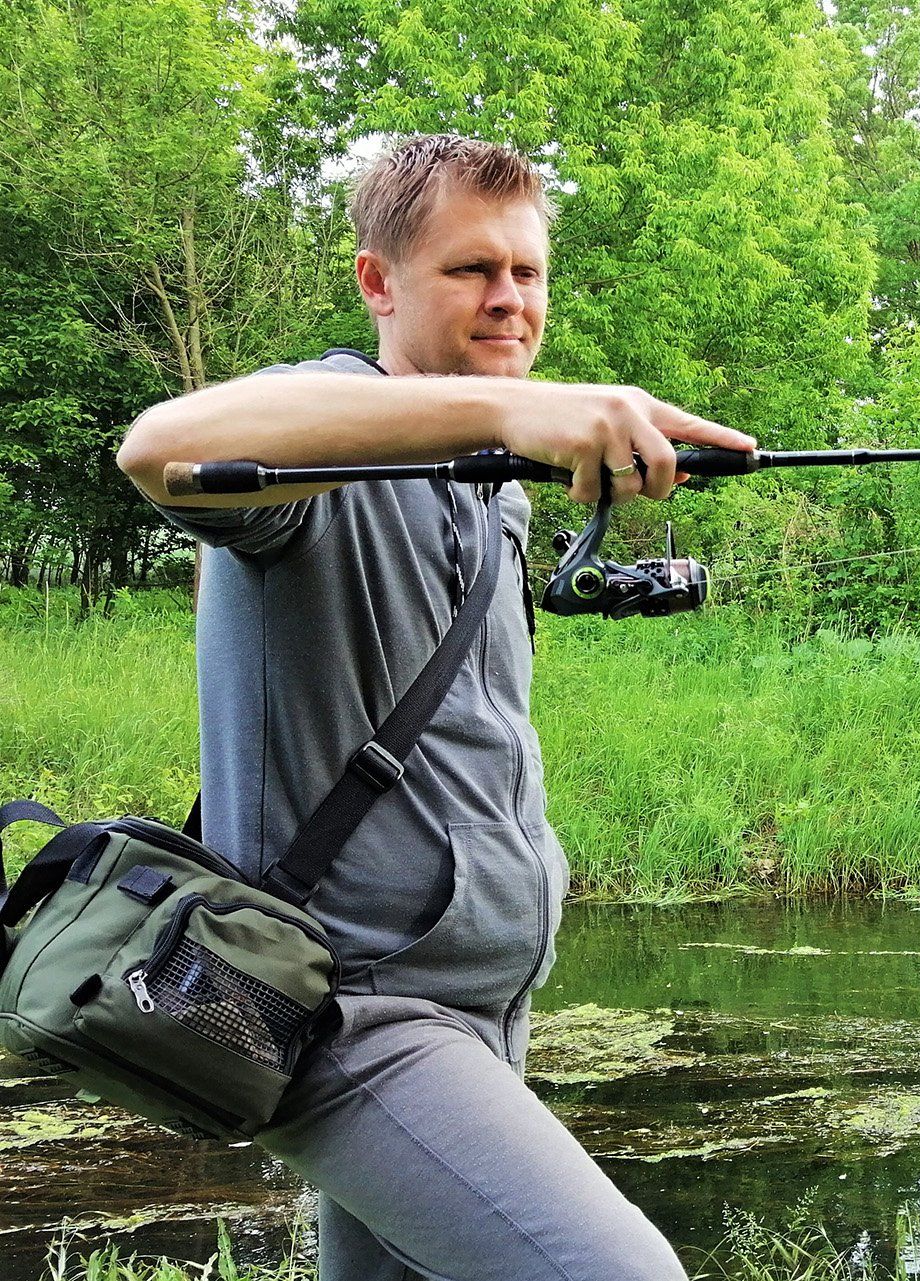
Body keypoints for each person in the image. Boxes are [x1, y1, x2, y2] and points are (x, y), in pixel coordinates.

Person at [115, 134, 751, 1281]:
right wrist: (516, 417)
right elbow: (161, 448)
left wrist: (506, 434)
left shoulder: (488, 487)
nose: (509, 299)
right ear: (378, 281)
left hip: (483, 1010)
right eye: (470, 271)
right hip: (351, 1008)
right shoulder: (327, 435)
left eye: (527, 272)